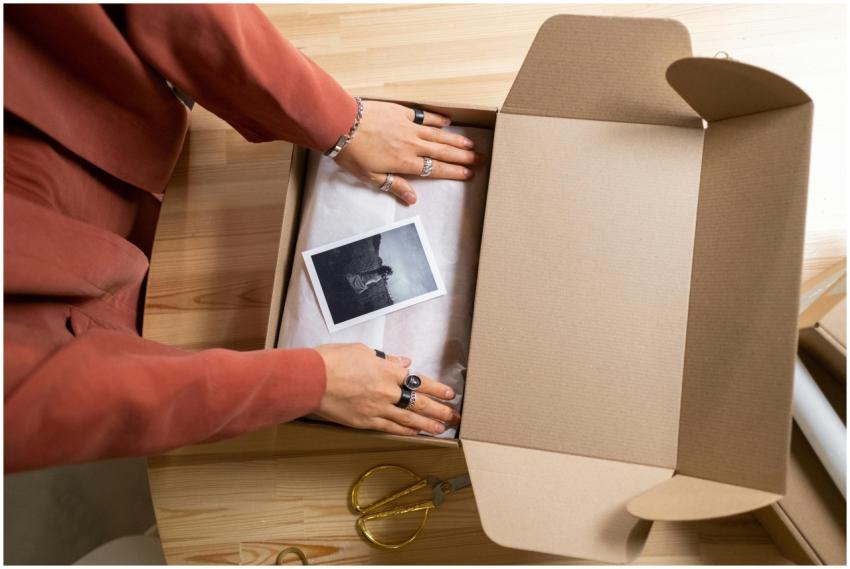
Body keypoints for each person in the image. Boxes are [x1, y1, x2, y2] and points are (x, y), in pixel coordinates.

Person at [4, 4, 475, 473]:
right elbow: (46, 409)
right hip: (84, 329)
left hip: (126, 129)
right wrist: (309, 383)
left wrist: (337, 121)